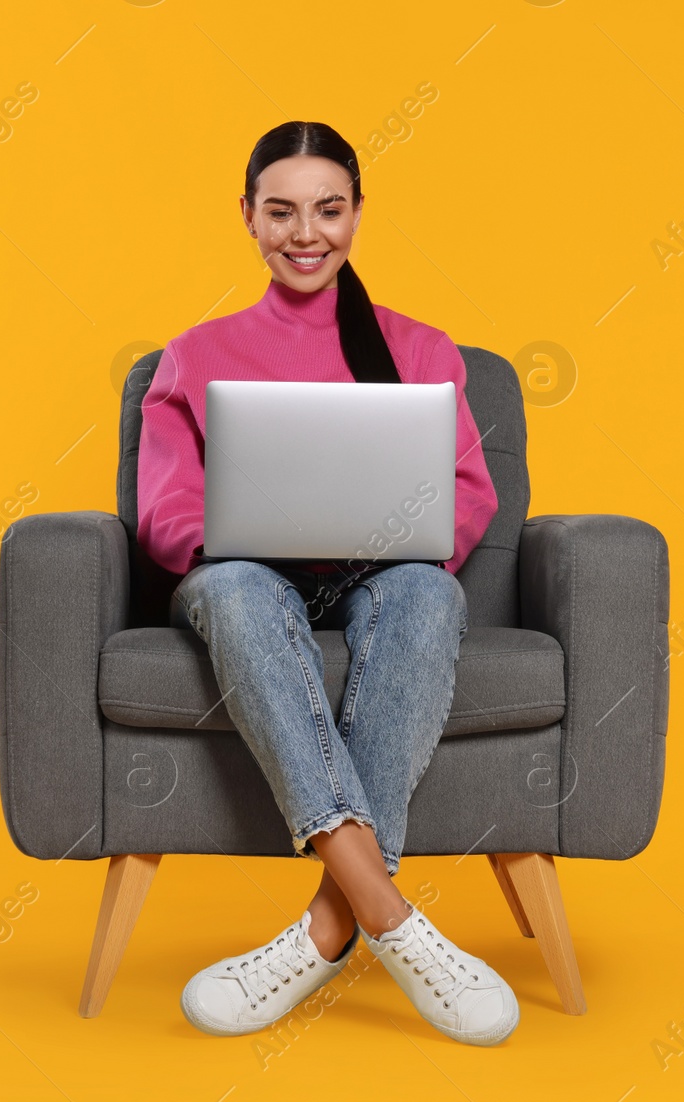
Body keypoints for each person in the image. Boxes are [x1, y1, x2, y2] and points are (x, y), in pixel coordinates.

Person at [135, 121, 518, 1046]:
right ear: (248, 218)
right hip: (243, 578)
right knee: (234, 590)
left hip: (379, 575)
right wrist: (238, 540)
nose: (307, 233)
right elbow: (163, 511)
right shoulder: (195, 354)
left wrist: (397, 540)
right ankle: (389, 917)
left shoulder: (421, 350)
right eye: (282, 211)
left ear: (356, 215)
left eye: (329, 209)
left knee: (433, 595)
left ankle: (323, 929)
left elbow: (469, 496)